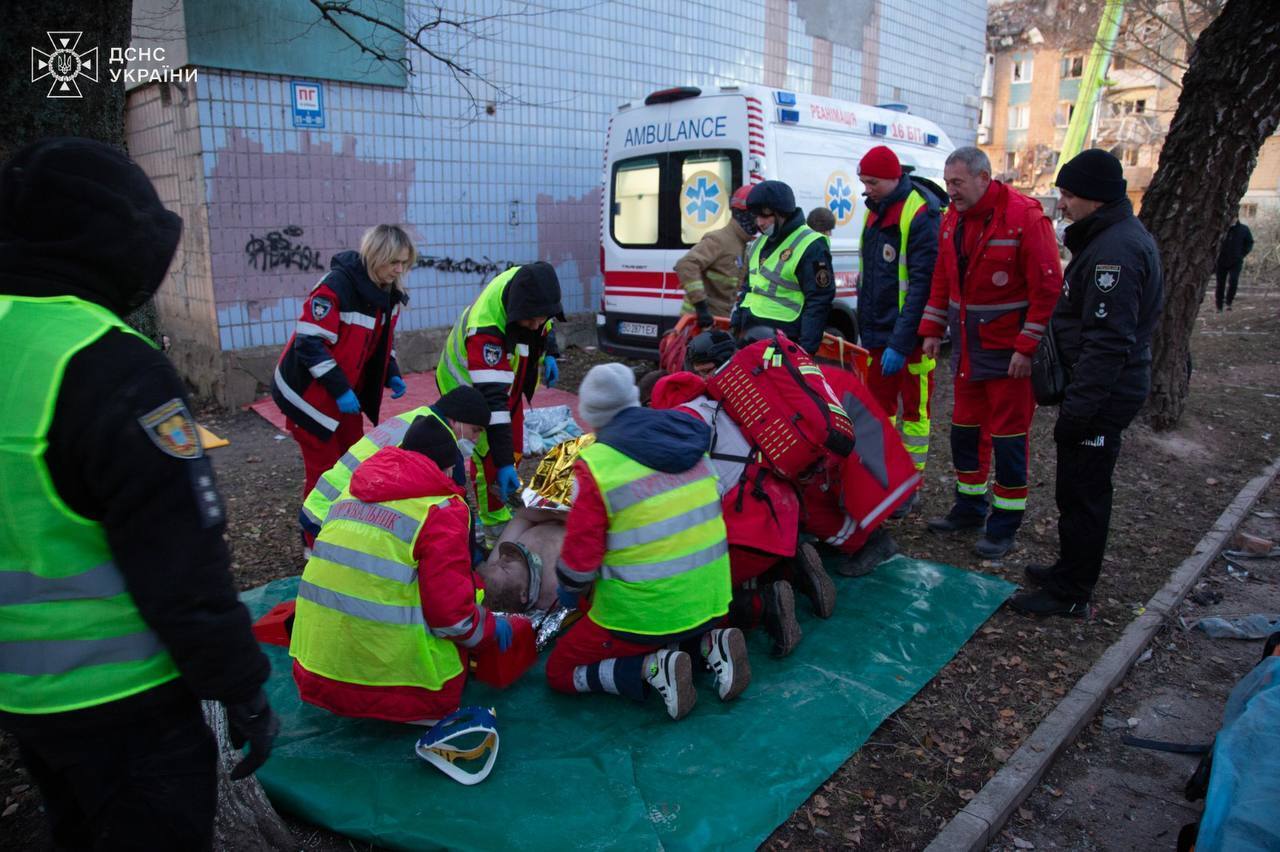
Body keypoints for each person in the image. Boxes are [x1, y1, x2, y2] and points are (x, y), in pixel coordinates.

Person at [0, 138, 276, 849]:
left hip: (23, 697)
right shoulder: (113, 367)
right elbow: (182, 561)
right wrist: (240, 685)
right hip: (126, 703)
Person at [546, 364, 749, 720]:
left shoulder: (598, 465)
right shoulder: (686, 438)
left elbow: (580, 563)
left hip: (644, 615)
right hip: (713, 599)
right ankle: (711, 643)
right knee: (679, 619)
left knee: (560, 671)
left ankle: (652, 668)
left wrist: (567, 591)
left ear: (591, 417)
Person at [1011, 149, 1163, 617]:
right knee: (1075, 490)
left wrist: (1078, 411)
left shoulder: (1115, 251)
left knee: (1084, 493)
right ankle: (1067, 571)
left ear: (1095, 199)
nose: (1064, 204)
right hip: (1098, 390)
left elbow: (1107, 343)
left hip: (1101, 395)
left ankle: (1071, 593)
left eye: (1070, 195)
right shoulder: (1108, 238)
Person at [290, 415, 515, 722]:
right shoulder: (441, 510)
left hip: (314, 671)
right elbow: (451, 618)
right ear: (447, 467)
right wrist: (487, 629)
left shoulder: (349, 495)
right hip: (396, 691)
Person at [918, 147, 1061, 559]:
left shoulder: (1025, 218)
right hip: (969, 352)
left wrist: (1026, 348)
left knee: (1009, 439)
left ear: (984, 178)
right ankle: (969, 507)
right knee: (965, 433)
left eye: (957, 183)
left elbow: (1047, 289)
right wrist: (931, 330)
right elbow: (943, 279)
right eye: (947, 184)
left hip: (1008, 358)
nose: (950, 192)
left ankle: (1004, 526)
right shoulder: (953, 221)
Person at [273, 224, 416, 497]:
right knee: (324, 475)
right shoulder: (336, 286)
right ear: (376, 256)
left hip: (343, 393)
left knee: (353, 463)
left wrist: (391, 372)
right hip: (308, 397)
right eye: (394, 262)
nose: (400, 270)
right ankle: (314, 537)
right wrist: (339, 389)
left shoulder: (388, 294)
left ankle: (344, 526)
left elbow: (381, 342)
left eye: (404, 263)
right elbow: (309, 343)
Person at [436, 262, 563, 545]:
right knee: (489, 457)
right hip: (469, 391)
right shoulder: (487, 329)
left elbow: (545, 323)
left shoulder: (530, 290)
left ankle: (502, 495)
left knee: (511, 447)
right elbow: (493, 405)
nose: (537, 325)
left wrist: (550, 352)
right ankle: (494, 534)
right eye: (532, 320)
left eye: (541, 318)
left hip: (506, 386)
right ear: (518, 309)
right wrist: (502, 462)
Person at [299, 385, 491, 549]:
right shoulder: (440, 444)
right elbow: (455, 510)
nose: (476, 438)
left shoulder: (416, 418)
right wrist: (472, 562)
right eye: (475, 430)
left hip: (317, 510)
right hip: (335, 523)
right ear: (455, 419)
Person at [856, 145, 942, 511]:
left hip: (912, 337)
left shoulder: (919, 213)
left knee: (914, 413)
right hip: (879, 333)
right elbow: (872, 278)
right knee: (879, 409)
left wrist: (901, 341)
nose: (867, 189)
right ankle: (884, 477)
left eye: (872, 182)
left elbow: (922, 285)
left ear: (894, 178)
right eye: (864, 182)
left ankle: (911, 485)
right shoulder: (875, 211)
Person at [731, 180, 835, 354]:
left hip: (785, 342)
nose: (760, 223)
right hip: (751, 337)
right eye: (756, 216)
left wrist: (806, 350)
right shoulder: (759, 243)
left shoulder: (811, 245)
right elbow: (749, 290)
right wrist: (735, 326)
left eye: (765, 216)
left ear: (782, 213)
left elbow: (819, 301)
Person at [675, 185, 756, 327]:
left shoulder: (743, 245)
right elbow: (686, 265)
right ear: (746, 214)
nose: (760, 221)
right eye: (758, 215)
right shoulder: (720, 239)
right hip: (698, 324)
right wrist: (701, 307)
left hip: (718, 323)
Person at [1214, 215, 1253, 312]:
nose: (1231, 219)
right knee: (1220, 284)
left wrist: (1242, 254)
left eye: (1233, 217)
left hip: (1236, 261)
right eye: (1229, 217)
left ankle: (1228, 302)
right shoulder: (1221, 228)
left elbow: (1249, 243)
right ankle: (1219, 306)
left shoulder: (1244, 229)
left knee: (1233, 281)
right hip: (1221, 261)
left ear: (1236, 217)